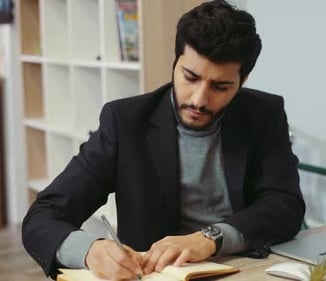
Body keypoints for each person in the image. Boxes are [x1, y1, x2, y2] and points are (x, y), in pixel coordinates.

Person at [22, 1, 305, 280]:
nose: (199, 99)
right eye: (190, 77)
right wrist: (89, 251)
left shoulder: (264, 114)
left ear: (242, 80)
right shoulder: (125, 122)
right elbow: (42, 216)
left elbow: (285, 205)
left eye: (220, 86)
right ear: (175, 62)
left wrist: (210, 238)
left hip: (244, 271)